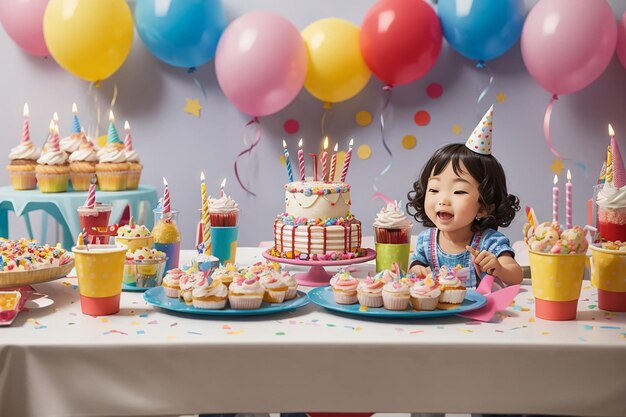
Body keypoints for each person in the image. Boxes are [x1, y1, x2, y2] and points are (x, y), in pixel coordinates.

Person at [406, 105, 523, 290]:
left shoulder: (489, 242)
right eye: (434, 189)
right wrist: (417, 269)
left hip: (479, 314)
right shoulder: (426, 240)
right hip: (438, 314)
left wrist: (499, 268)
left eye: (459, 191)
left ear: (484, 207)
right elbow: (414, 266)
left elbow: (516, 275)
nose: (443, 200)